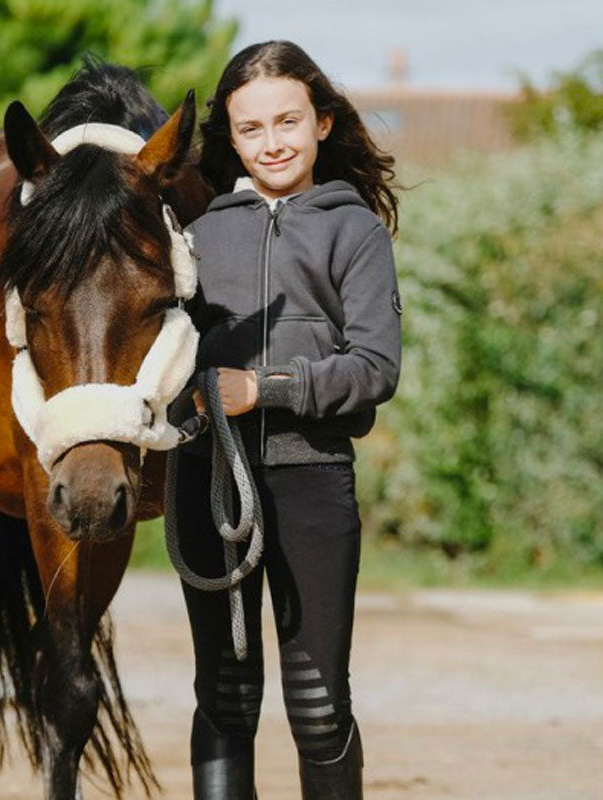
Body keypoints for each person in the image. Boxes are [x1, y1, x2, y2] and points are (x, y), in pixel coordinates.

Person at [171, 40, 402, 799]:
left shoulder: (355, 231)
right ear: (229, 139)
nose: (272, 142)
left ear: (323, 122)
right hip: (209, 486)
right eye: (251, 128)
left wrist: (263, 387)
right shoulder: (195, 239)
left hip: (312, 487)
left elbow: (376, 368)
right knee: (225, 698)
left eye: (288, 121)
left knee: (318, 704)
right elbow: (159, 355)